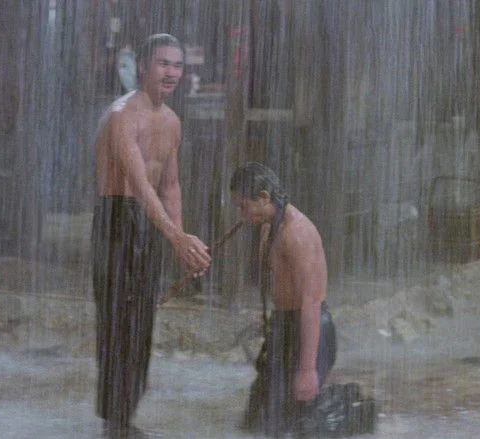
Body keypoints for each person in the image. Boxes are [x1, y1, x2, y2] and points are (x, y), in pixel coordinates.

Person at [91, 33, 212, 436]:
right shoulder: (123, 114)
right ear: (143, 65)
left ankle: (124, 416)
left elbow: (170, 186)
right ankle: (113, 421)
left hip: (151, 221)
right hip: (117, 218)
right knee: (117, 320)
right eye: (163, 63)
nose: (171, 72)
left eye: (177, 65)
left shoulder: (172, 121)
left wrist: (181, 242)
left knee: (142, 320)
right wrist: (176, 237)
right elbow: (140, 185)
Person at [229, 162, 337, 437]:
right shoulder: (270, 227)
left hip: (309, 327)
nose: (242, 215)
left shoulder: (297, 233)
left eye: (244, 206)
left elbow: (311, 303)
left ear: (264, 197)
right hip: (284, 325)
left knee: (292, 424)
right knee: (258, 420)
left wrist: (307, 369)